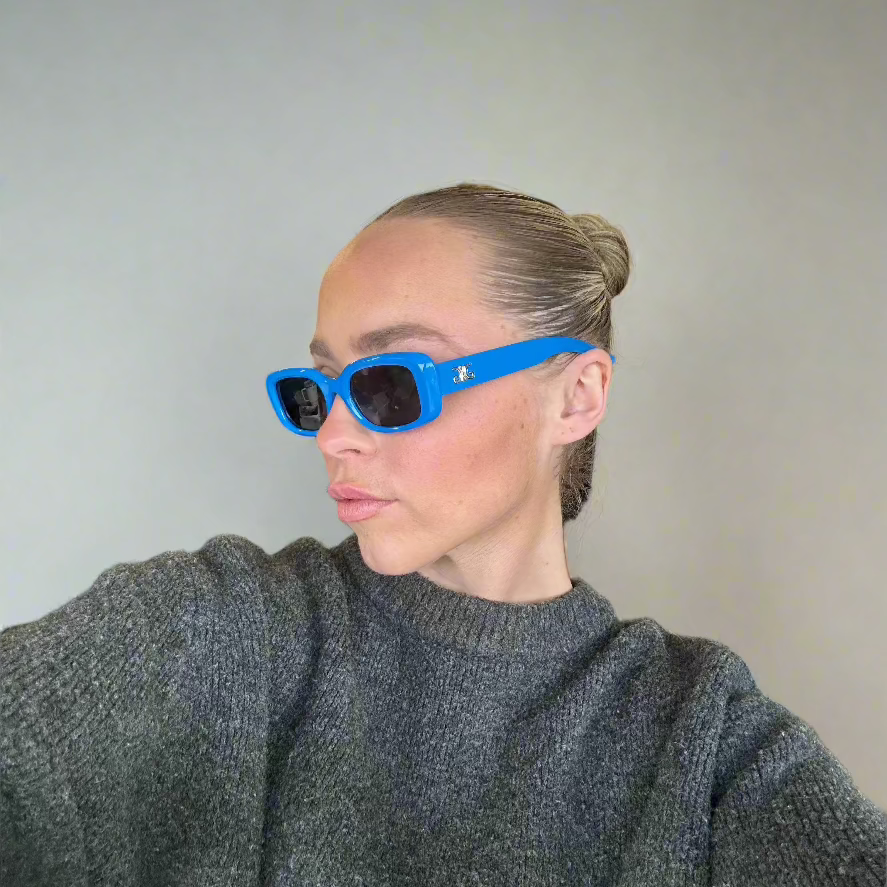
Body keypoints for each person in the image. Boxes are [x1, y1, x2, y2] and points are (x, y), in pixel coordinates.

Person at [1, 182, 884, 886]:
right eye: (319, 389)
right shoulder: (224, 626)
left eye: (390, 383)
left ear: (576, 397)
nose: (333, 435)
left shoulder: (700, 734)